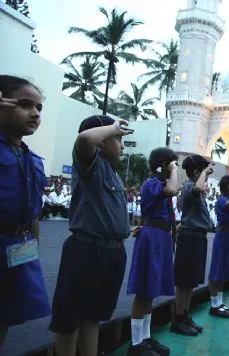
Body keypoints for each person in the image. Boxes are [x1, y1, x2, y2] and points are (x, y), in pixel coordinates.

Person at [50, 115, 133, 356]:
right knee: (69, 318)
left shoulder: (112, 171)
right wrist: (113, 127)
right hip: (87, 250)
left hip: (112, 251)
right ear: (103, 140)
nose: (123, 144)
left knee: (93, 315)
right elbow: (85, 139)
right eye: (118, 138)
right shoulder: (90, 163)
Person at [0, 76, 50, 350]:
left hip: (18, 246)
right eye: (25, 104)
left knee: (5, 316)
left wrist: (34, 244)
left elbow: (33, 213)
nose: (35, 113)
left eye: (39, 107)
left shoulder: (31, 158)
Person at [126, 148, 179, 356]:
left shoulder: (158, 184)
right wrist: (174, 170)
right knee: (143, 291)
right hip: (152, 237)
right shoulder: (152, 184)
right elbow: (172, 190)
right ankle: (136, 343)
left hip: (161, 237)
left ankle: (145, 338)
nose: (175, 168)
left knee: (151, 290)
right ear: (164, 165)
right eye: (172, 163)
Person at [170, 155, 213, 337]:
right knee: (183, 282)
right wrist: (204, 172)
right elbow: (197, 188)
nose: (208, 175)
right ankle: (178, 320)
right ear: (196, 171)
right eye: (203, 171)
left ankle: (185, 316)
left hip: (197, 238)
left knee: (190, 282)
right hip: (189, 238)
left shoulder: (197, 189)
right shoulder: (190, 186)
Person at [207, 175, 229, 318]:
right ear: (228, 186)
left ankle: (219, 303)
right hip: (223, 236)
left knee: (223, 272)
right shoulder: (222, 200)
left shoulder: (227, 200)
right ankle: (214, 304)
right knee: (217, 271)